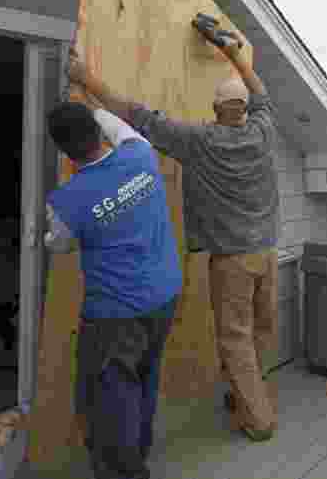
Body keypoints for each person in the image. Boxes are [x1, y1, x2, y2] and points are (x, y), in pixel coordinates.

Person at [66, 28, 281, 442]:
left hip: (233, 259)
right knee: (259, 330)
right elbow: (263, 94)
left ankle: (258, 420)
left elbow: (139, 117)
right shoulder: (263, 131)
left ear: (217, 109)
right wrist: (234, 55)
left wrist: (86, 79)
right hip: (267, 252)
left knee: (235, 338)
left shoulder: (200, 141)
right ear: (245, 109)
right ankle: (249, 397)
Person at [44, 100, 182, 479]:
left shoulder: (69, 200)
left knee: (109, 405)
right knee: (142, 383)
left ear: (63, 151)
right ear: (97, 131)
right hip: (163, 297)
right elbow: (117, 124)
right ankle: (137, 456)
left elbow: (59, 244)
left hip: (115, 318)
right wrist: (90, 103)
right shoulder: (140, 154)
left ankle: (125, 472)